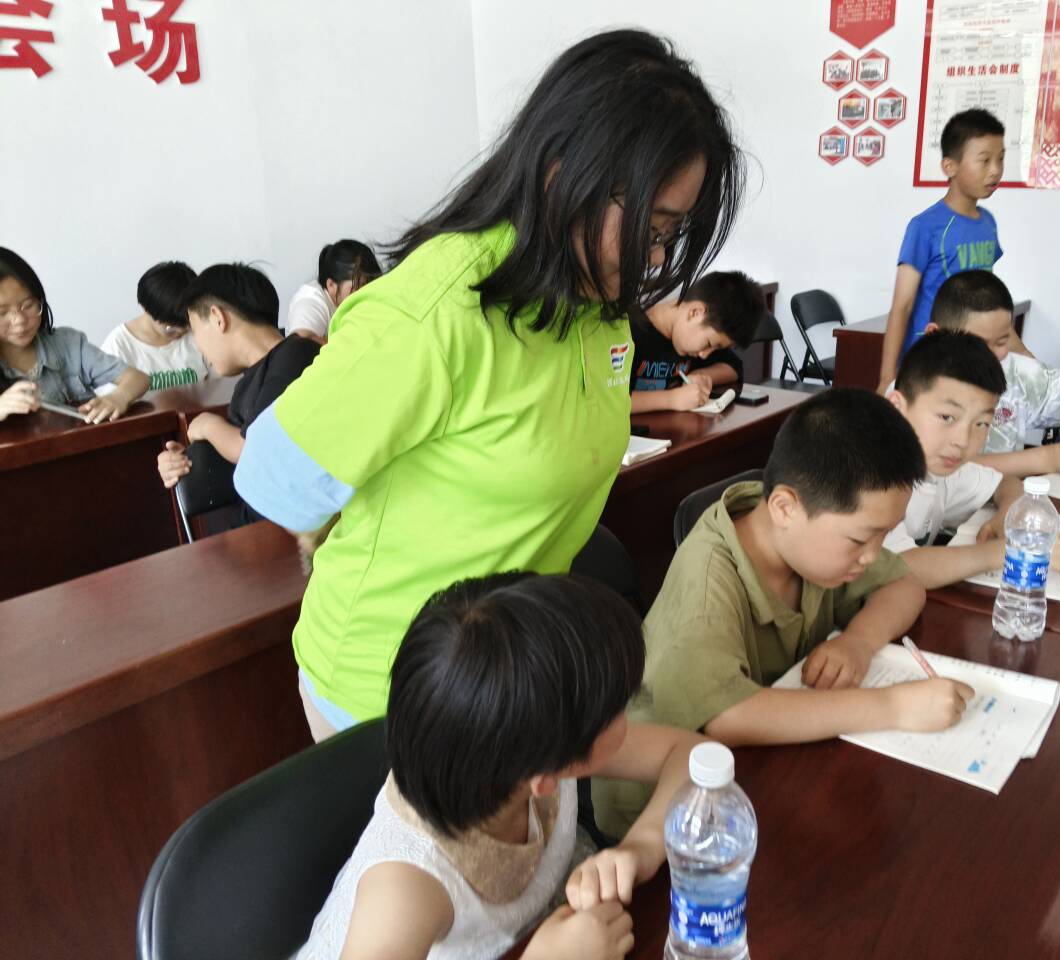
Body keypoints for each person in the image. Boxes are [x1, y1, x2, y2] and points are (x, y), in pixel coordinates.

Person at [232, 29, 744, 742]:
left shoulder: (596, 308)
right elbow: (277, 478)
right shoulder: (438, 310)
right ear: (563, 173)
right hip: (392, 689)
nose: (655, 259)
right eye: (651, 229)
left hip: (507, 674)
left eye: (669, 234)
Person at [592, 389, 976, 837]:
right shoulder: (708, 585)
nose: (872, 556)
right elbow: (730, 717)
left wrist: (859, 642)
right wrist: (892, 706)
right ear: (784, 508)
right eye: (860, 539)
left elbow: (904, 584)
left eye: (884, 536)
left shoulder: (810, 542)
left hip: (757, 765)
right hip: (662, 814)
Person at [297, 572, 705, 960]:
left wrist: (641, 847)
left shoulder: (525, 737)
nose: (627, 708)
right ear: (545, 778)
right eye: (617, 706)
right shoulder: (405, 887)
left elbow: (693, 757)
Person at [882, 330, 1060, 586]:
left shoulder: (937, 464)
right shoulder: (874, 473)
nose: (963, 440)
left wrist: (1009, 512)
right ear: (898, 407)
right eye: (947, 417)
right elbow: (900, 568)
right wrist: (1010, 552)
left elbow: (1003, 483)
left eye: (981, 423)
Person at [155, 264, 319, 525]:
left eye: (195, 331)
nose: (198, 348)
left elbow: (255, 450)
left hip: (291, 530)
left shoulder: (296, 354)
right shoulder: (247, 384)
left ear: (217, 318)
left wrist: (208, 425)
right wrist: (184, 461)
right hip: (259, 526)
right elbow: (233, 450)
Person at [926, 270, 1060, 478]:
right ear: (935, 335)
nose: (991, 356)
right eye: (978, 344)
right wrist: (1053, 458)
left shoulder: (1014, 372)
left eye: (1001, 342)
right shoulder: (918, 390)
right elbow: (949, 470)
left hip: (1008, 493)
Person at [878, 108, 1007, 394]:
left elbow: (990, 299)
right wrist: (887, 378)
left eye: (1000, 158)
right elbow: (902, 306)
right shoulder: (925, 227)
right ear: (950, 167)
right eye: (984, 160)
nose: (995, 170)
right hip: (929, 360)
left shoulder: (988, 223)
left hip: (972, 357)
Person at [0, 247, 147, 425]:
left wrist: (119, 397)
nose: (19, 320)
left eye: (28, 305)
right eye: (2, 312)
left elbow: (138, 378)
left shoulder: (68, 344)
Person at [628, 270, 765, 413]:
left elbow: (734, 367)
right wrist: (672, 399)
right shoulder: (628, 330)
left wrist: (703, 376)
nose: (704, 355)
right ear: (695, 313)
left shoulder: (694, 338)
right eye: (708, 344)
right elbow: (612, 401)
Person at [100, 261, 210, 390]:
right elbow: (111, 398)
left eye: (188, 324)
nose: (182, 331)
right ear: (146, 309)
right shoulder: (118, 346)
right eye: (171, 327)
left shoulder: (197, 335)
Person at [284, 239, 382, 343]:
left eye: (370, 286)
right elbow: (299, 341)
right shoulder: (311, 301)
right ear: (331, 285)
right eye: (357, 287)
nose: (365, 294)